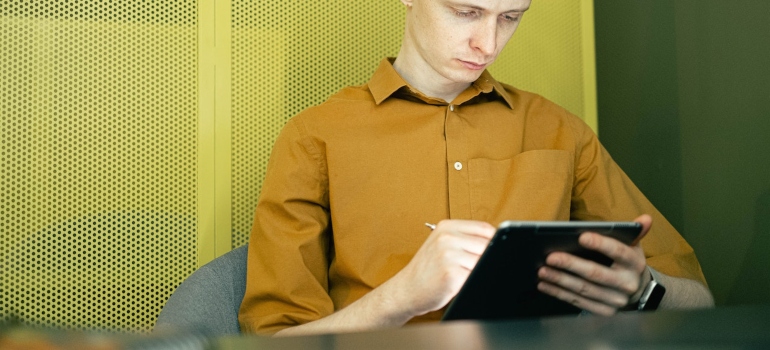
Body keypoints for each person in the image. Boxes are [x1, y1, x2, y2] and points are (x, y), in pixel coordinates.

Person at [238, 0, 714, 335]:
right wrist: (402, 297)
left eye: (510, 18)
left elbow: (701, 301)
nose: (487, 43)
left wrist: (643, 288)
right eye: (466, 11)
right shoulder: (314, 136)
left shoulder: (558, 129)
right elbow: (276, 340)